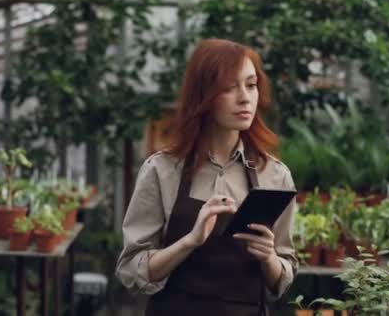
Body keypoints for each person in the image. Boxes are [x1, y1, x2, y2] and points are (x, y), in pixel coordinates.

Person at [116, 38, 298, 316]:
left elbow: (282, 277)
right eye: (229, 87)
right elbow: (132, 269)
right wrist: (190, 241)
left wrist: (269, 256)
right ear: (204, 95)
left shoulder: (274, 175)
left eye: (251, 85)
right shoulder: (162, 170)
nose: (244, 97)